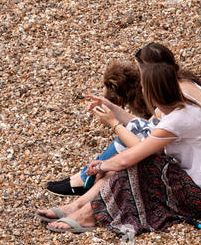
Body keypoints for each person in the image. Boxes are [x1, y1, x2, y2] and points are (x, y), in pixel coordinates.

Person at [40, 43, 201, 234]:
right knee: (133, 161)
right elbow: (147, 140)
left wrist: (103, 160)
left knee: (134, 164)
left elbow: (130, 157)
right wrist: (111, 110)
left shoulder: (179, 118)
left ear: (151, 91)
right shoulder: (177, 108)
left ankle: (87, 214)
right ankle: (79, 205)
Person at [45, 61, 154, 196]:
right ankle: (83, 176)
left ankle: (84, 178)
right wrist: (110, 106)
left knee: (131, 130)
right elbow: (144, 123)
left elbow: (143, 144)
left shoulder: (153, 104)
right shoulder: (164, 105)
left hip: (151, 159)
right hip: (148, 148)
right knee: (133, 127)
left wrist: (115, 123)